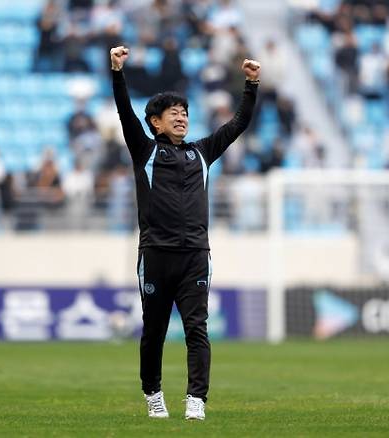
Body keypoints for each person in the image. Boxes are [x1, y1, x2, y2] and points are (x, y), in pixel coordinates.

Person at [110, 45, 260, 420]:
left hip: (195, 255)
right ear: (155, 123)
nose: (181, 117)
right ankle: (153, 394)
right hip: (156, 255)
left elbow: (238, 124)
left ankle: (196, 399)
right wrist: (117, 73)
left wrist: (251, 85)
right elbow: (124, 112)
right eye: (173, 113)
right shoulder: (145, 151)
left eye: (185, 113)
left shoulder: (202, 152)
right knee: (154, 331)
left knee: (197, 329)